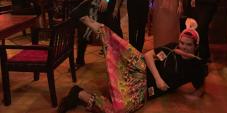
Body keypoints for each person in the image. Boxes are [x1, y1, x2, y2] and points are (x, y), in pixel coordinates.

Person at [57, 14, 207, 113]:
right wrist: (159, 79)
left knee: (120, 110)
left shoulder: (197, 66)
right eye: (182, 43)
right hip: (140, 69)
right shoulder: (172, 48)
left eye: (188, 45)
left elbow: (200, 87)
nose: (183, 47)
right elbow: (148, 56)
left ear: (196, 47)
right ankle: (98, 27)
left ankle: (79, 94)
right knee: (124, 49)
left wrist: (192, 98)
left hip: (143, 89)